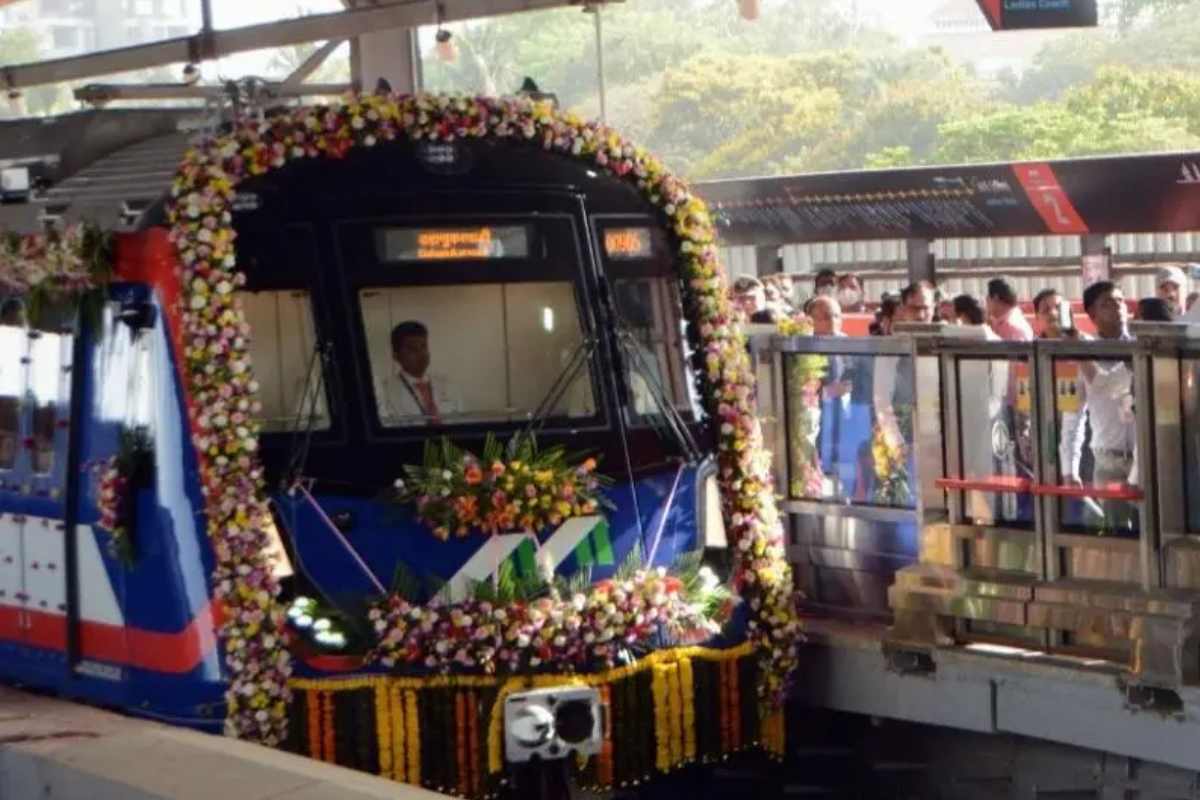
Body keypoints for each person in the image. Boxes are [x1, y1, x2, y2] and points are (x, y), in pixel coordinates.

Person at [1067, 281, 1137, 534]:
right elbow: (1073, 416)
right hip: (1107, 460)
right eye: (1107, 303)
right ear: (1092, 314)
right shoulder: (1085, 354)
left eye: (1120, 301)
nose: (1117, 307)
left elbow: (1103, 383)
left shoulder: (1141, 348)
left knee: (1152, 529)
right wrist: (1070, 467)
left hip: (1145, 457)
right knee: (1118, 535)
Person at [375, 321, 462, 425]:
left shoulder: (447, 384)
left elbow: (462, 422)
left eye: (423, 346)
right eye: (412, 349)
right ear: (396, 356)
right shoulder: (386, 392)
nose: (421, 354)